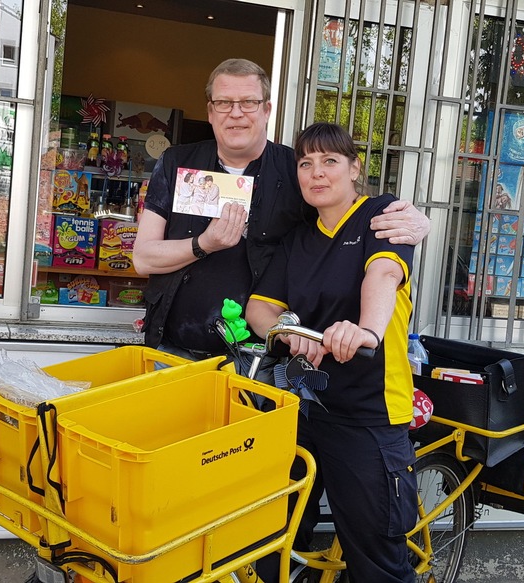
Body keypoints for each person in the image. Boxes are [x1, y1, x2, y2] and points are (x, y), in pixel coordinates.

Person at [132, 58, 429, 361]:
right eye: (224, 103)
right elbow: (142, 258)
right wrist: (203, 244)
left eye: (248, 102)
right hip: (171, 348)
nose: (236, 113)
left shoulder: (296, 170)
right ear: (210, 111)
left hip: (260, 357)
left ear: (266, 110)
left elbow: (344, 218)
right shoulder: (176, 163)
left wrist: (417, 221)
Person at [245, 122, 417, 582]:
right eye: (306, 163)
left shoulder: (379, 215)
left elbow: (382, 273)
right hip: (303, 406)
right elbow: (259, 309)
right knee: (273, 540)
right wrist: (286, 329)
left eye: (330, 161)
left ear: (355, 168)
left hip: (368, 414)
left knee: (377, 559)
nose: (316, 173)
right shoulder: (297, 240)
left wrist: (367, 332)